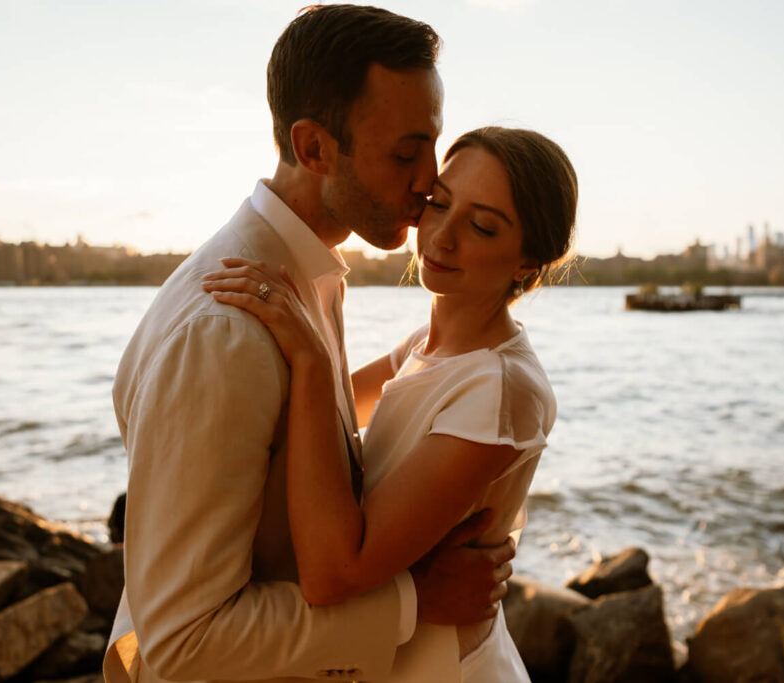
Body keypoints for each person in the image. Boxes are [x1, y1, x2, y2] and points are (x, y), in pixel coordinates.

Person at [103, 6, 516, 683]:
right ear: (315, 148)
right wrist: (415, 600)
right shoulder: (223, 330)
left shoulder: (306, 277)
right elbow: (182, 640)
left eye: (433, 147)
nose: (430, 182)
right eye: (405, 154)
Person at [201, 126, 578, 681]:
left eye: (481, 226)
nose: (441, 238)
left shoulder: (502, 389)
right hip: (387, 654)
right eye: (438, 204)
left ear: (528, 261)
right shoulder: (424, 347)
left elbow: (334, 574)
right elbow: (315, 425)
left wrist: (310, 359)